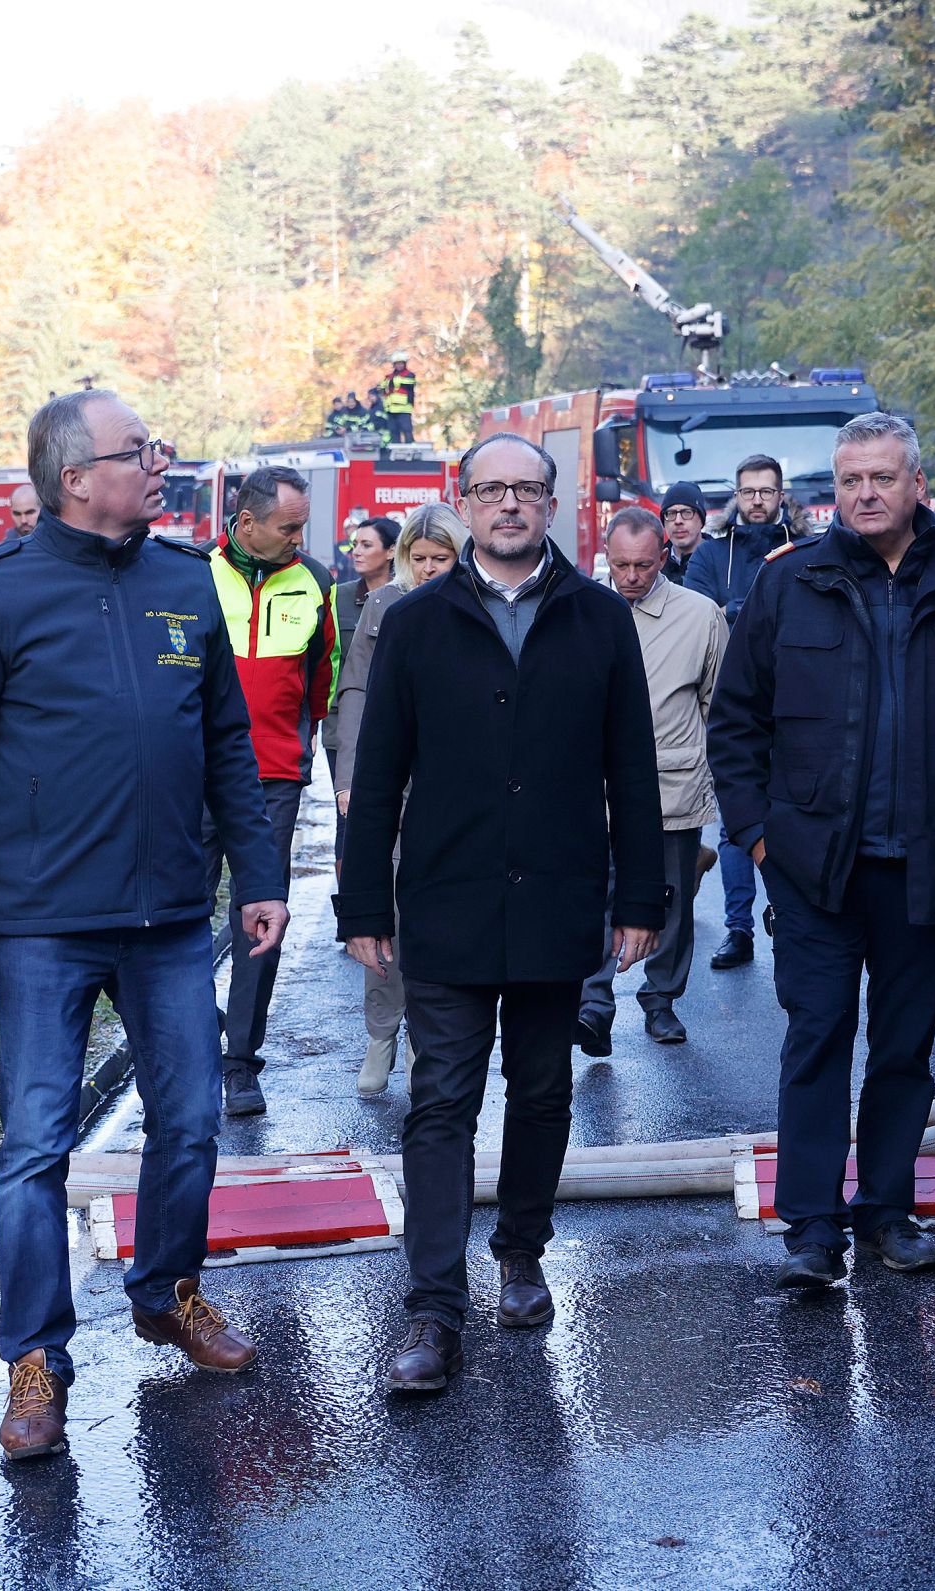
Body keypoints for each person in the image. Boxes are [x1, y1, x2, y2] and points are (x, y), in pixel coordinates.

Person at [0, 390, 286, 1461]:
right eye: (138, 451)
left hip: (170, 914)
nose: (159, 462)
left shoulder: (182, 581)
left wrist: (255, 872)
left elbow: (224, 746)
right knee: (34, 1146)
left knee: (194, 1122)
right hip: (43, 923)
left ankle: (166, 1291)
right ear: (76, 477)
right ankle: (35, 1361)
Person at [338, 431, 664, 1394]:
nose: (510, 504)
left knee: (543, 1091)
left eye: (528, 489)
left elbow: (632, 771)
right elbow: (378, 770)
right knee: (440, 1100)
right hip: (447, 896)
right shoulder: (414, 620)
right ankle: (434, 1311)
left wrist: (640, 897)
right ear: (464, 500)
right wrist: (363, 902)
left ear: (554, 505)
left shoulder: (600, 618)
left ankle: (520, 1255)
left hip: (560, 895)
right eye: (492, 489)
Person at [709, 413, 935, 1289]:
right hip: (816, 868)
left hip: (931, 867)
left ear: (916, 483)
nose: (864, 494)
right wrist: (756, 835)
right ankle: (814, 1228)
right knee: (817, 1039)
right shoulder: (791, 585)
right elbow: (736, 720)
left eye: (882, 478)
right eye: (850, 479)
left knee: (903, 1049)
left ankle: (888, 1211)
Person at [204, 465, 336, 1116]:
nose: (299, 536)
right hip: (192, 777)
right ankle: (201, 1029)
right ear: (247, 522)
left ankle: (239, 1064)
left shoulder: (316, 580)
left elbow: (324, 675)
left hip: (274, 777)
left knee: (260, 917)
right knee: (174, 912)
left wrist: (304, 744)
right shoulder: (193, 573)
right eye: (289, 526)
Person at [578, 508, 731, 1053]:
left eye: (643, 565)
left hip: (673, 782)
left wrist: (728, 782)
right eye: (620, 565)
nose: (631, 577)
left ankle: (661, 999)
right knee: (595, 891)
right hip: (592, 785)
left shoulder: (700, 615)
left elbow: (720, 705)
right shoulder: (583, 607)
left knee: (671, 898)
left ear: (664, 556)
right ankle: (594, 1002)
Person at [333, 504, 464, 1097]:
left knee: (436, 919)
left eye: (443, 559)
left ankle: (424, 1039)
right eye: (421, 559)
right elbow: (355, 688)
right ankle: (381, 1032)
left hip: (453, 785)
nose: (431, 569)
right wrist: (349, 777)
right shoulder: (387, 605)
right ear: (404, 557)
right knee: (380, 911)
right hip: (390, 780)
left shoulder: (477, 605)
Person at [688, 454, 802, 971]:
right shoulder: (713, 554)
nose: (757, 500)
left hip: (796, 702)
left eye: (766, 491)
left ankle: (788, 912)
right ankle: (739, 928)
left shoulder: (804, 548)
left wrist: (735, 609)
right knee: (737, 820)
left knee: (793, 813)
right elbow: (696, 615)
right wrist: (738, 609)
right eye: (748, 491)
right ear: (736, 496)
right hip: (729, 703)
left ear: (781, 496)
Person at [325, 516, 402, 873]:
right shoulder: (337, 598)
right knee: (348, 819)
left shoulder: (408, 596)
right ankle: (350, 907)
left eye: (366, 545)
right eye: (354, 544)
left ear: (391, 552)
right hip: (344, 724)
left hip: (394, 724)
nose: (356, 552)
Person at [658, 482, 707, 585]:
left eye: (687, 512)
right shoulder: (655, 563)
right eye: (671, 513)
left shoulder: (722, 561)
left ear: (702, 521)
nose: (678, 520)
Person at [378, 350, 417, 445]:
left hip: (403, 409)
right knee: (393, 432)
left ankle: (410, 448)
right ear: (394, 364)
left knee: (407, 430)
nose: (399, 366)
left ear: (404, 364)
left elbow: (409, 384)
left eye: (401, 363)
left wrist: (393, 380)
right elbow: (381, 388)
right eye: (397, 364)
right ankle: (395, 448)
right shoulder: (389, 377)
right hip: (391, 410)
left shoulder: (409, 375)